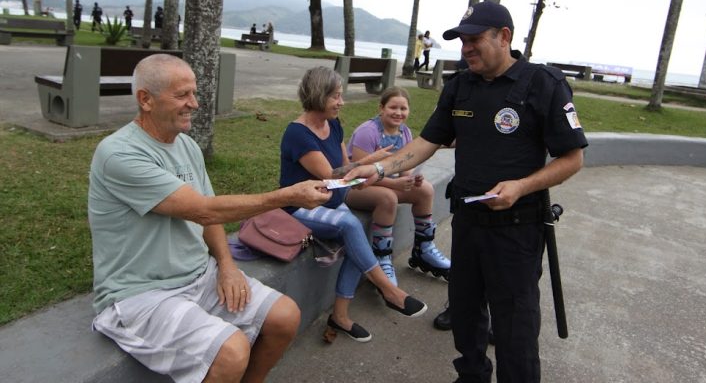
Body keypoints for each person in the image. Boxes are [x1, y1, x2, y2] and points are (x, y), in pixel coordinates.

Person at [345, 1, 587, 382]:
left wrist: (522, 185)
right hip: (468, 222)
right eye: (462, 41)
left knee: (515, 326)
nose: (466, 48)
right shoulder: (461, 86)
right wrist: (376, 169)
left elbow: (572, 159)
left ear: (504, 37)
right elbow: (427, 142)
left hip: (517, 228)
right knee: (466, 311)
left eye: (474, 39)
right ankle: (471, 376)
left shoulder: (544, 85)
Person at [88, 54, 331, 383]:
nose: (195, 103)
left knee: (285, 317)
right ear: (145, 99)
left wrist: (227, 266)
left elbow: (209, 213)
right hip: (140, 293)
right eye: (182, 95)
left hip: (199, 275)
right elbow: (203, 209)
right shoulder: (119, 153)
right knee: (231, 352)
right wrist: (288, 195)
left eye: (194, 93)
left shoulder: (186, 145)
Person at [280, 66, 427, 343]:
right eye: (336, 96)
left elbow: (344, 168)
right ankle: (389, 291)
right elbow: (331, 175)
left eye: (340, 95)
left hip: (332, 201)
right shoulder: (298, 134)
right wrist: (370, 162)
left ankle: (340, 316)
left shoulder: (333, 124)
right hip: (301, 207)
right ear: (318, 95)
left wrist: (360, 175)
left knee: (356, 240)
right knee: (350, 224)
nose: (341, 102)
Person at [345, 86, 450, 286]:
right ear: (381, 108)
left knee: (425, 189)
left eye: (403, 109)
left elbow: (405, 170)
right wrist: (396, 183)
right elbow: (357, 174)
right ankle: (382, 257)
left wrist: (411, 181)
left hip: (385, 183)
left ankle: (424, 249)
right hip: (356, 187)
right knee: (388, 198)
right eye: (393, 107)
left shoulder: (405, 132)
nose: (398, 113)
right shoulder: (367, 132)